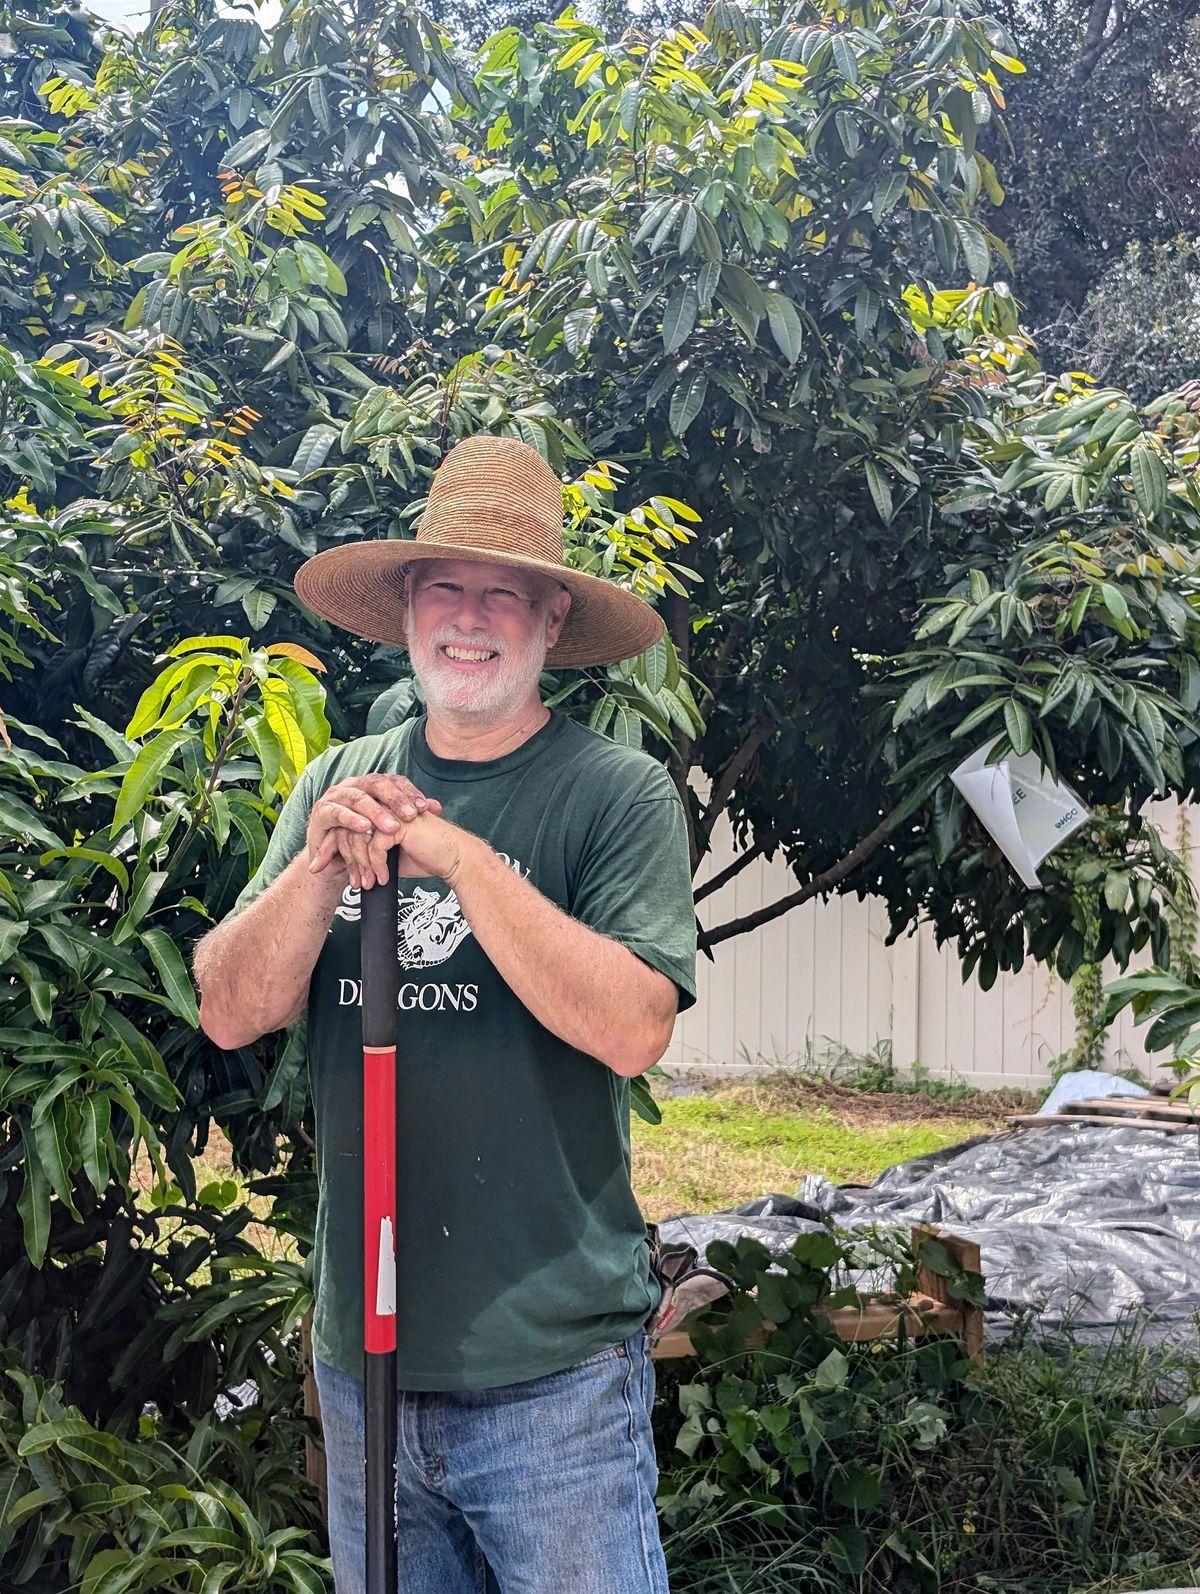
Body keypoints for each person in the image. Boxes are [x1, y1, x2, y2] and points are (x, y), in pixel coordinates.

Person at [193, 434, 697, 1594]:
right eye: (446, 588)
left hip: (554, 1377)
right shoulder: (341, 781)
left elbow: (634, 1028)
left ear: (552, 619)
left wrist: (461, 856)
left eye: (503, 595)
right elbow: (228, 1010)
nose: (469, 619)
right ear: (409, 605)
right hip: (366, 1363)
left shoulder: (613, 793)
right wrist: (319, 867)